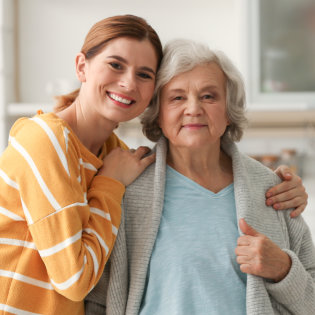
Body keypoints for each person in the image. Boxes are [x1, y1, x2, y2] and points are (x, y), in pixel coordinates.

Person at [85, 39, 315, 314]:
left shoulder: (273, 191)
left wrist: (283, 269)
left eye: (209, 96)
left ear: (229, 112)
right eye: (177, 97)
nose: (193, 109)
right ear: (158, 113)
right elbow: (97, 300)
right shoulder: (127, 187)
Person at [0, 15, 163, 314]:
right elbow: (74, 279)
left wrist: (274, 185)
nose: (128, 83)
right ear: (81, 66)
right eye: (116, 65)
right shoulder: (45, 141)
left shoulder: (117, 155)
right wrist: (110, 182)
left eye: (144, 74)